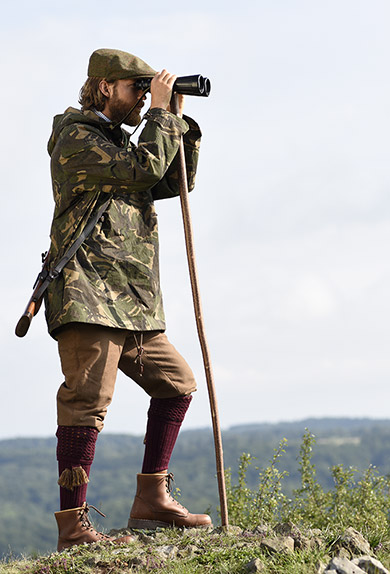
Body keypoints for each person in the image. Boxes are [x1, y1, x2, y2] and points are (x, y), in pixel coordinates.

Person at [45, 48, 212, 551]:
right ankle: (73, 526)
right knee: (87, 403)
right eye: (134, 88)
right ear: (103, 88)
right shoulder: (75, 139)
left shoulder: (120, 142)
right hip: (86, 291)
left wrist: (178, 121)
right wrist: (159, 115)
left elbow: (172, 180)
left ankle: (151, 497)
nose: (143, 95)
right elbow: (141, 170)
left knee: (177, 384)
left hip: (132, 298)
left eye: (147, 88)